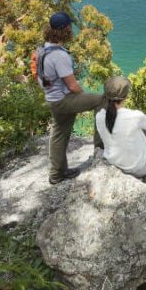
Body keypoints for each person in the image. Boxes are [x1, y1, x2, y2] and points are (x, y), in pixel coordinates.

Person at [40, 11, 106, 185]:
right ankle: (101, 150)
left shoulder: (43, 50)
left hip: (52, 99)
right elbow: (73, 86)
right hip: (63, 100)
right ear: (65, 29)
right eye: (70, 26)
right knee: (102, 100)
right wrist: (84, 97)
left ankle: (56, 174)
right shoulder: (59, 55)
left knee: (59, 134)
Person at [95, 76, 146, 183]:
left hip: (114, 162)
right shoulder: (135, 116)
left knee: (138, 126)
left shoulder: (99, 116)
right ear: (125, 96)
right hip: (139, 168)